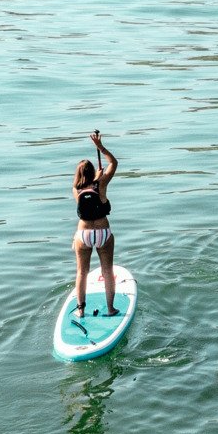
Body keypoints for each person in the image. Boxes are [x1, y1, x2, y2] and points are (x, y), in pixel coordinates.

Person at [70, 131, 120, 317]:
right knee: (107, 270)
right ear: (94, 172)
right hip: (102, 232)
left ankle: (81, 312)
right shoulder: (101, 184)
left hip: (82, 235)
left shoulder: (75, 189)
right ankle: (111, 308)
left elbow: (84, 188)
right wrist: (100, 147)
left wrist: (94, 178)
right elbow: (114, 164)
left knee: (82, 272)